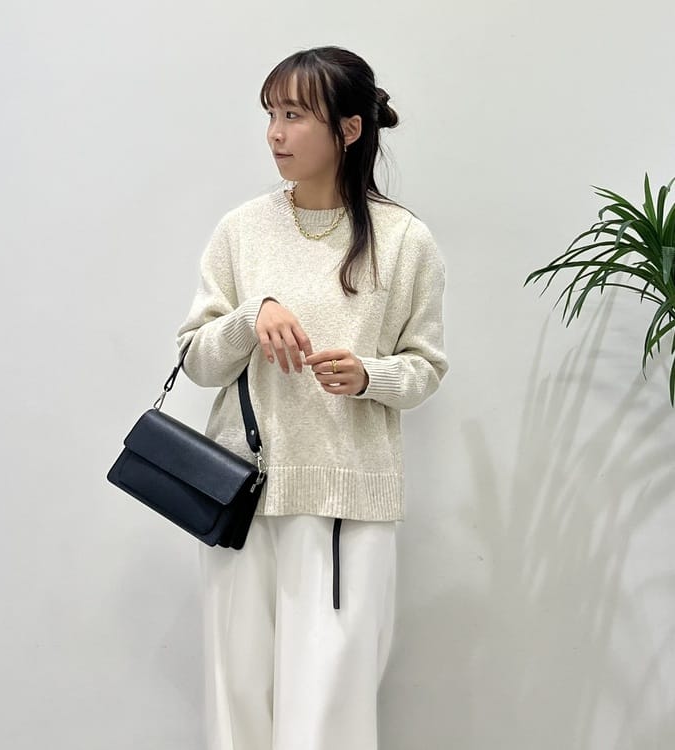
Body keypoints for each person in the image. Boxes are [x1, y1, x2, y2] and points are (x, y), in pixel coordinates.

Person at [175, 45, 448, 750]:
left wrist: (369, 376)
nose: (275, 133)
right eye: (271, 113)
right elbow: (196, 360)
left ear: (349, 129)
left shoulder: (405, 240)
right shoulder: (241, 230)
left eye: (295, 115)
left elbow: (425, 367)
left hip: (348, 501)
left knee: (330, 706)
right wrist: (250, 317)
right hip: (242, 496)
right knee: (239, 696)